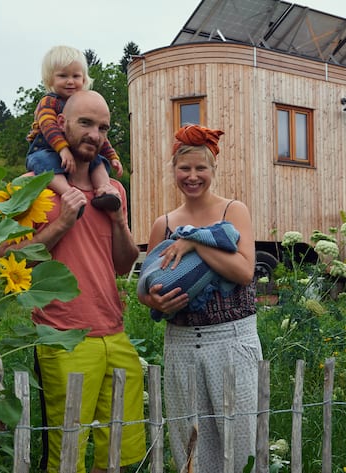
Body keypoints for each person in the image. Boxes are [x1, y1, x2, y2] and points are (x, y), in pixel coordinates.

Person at [4, 90, 144, 473]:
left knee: (118, 447)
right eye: (85, 123)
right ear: (60, 125)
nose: (95, 134)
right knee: (66, 453)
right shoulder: (29, 187)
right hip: (60, 333)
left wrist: (117, 221)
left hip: (114, 331)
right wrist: (63, 222)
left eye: (102, 128)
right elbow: (6, 260)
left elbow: (123, 265)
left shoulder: (113, 191)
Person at [137, 125, 262, 473]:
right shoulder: (163, 223)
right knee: (189, 445)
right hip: (179, 343)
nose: (192, 177)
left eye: (200, 169)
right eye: (184, 169)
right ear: (174, 170)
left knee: (240, 446)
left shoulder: (233, 212)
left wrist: (195, 243)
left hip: (231, 341)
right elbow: (147, 284)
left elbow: (244, 271)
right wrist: (155, 303)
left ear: (213, 170)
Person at [25, 45, 123, 218]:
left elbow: (98, 135)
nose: (70, 81)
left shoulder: (84, 104)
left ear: (84, 79)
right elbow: (48, 125)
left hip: (73, 150)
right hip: (46, 149)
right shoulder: (49, 102)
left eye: (76, 76)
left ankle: (104, 190)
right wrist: (63, 149)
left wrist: (112, 156)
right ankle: (69, 194)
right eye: (63, 76)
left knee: (98, 161)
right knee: (46, 162)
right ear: (50, 80)